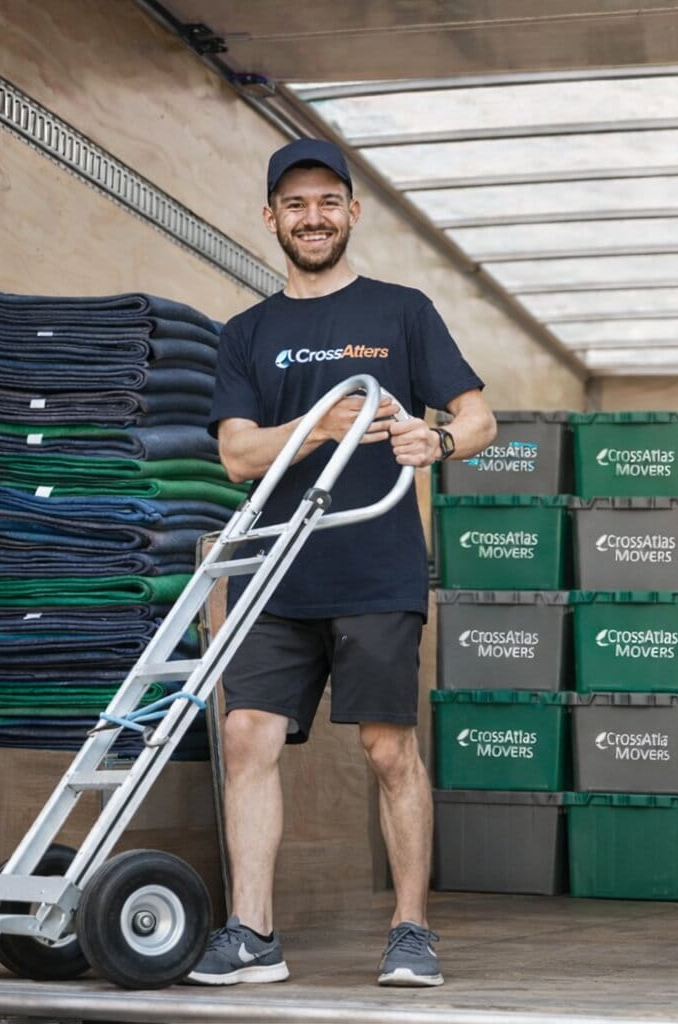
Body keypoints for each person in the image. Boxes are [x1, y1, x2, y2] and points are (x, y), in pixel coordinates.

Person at [187, 138, 496, 989]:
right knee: (247, 735)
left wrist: (434, 437)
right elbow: (239, 456)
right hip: (274, 569)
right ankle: (252, 932)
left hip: (375, 562)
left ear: (352, 213)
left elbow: (480, 419)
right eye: (295, 204)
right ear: (271, 218)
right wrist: (326, 425)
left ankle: (411, 929)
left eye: (328, 202)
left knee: (389, 749)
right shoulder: (247, 333)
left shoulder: (401, 312)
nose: (313, 217)